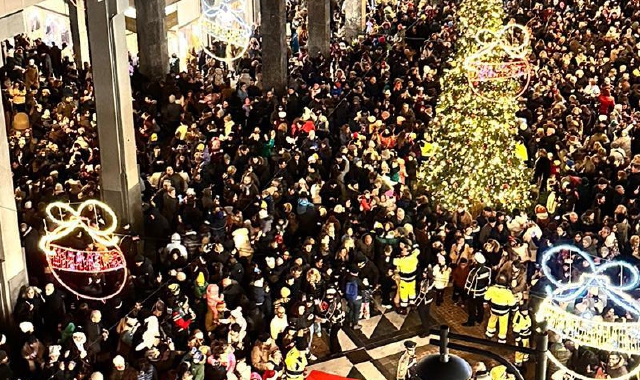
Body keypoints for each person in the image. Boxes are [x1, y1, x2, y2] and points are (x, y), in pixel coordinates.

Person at [484, 274, 517, 344]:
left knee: (492, 320)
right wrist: (515, 310)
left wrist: (485, 303)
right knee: (503, 324)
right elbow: (512, 303)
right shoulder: (508, 292)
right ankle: (501, 338)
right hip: (504, 311)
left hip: (494, 309)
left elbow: (486, 297)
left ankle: (489, 333)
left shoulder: (492, 289)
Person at [464, 253, 491, 327]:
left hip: (473, 293)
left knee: (471, 308)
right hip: (482, 292)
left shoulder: (474, 271)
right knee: (480, 306)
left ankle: (471, 322)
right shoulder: (488, 269)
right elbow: (488, 281)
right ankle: (479, 319)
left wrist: (467, 291)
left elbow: (470, 283)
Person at [394, 245, 420, 314]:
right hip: (413, 279)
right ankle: (413, 304)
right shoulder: (413, 256)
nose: (402, 251)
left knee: (404, 293)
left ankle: (403, 308)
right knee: (412, 291)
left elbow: (394, 261)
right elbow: (417, 251)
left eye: (404, 250)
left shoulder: (402, 261)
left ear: (407, 252)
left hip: (404, 280)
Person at [416, 266, 434, 338]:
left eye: (425, 273)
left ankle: (426, 330)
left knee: (423, 315)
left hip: (424, 300)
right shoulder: (430, 280)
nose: (423, 274)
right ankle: (426, 326)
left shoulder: (426, 282)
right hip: (428, 300)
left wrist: (416, 302)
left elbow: (422, 293)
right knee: (426, 314)